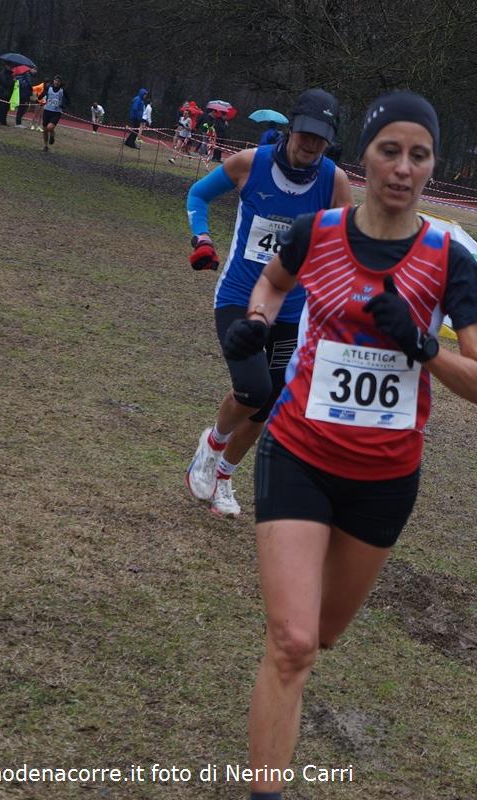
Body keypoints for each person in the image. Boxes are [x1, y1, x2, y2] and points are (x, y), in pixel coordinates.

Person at [228, 89, 477, 800]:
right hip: (299, 452)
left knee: (321, 636)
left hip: (383, 478)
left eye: (419, 155)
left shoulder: (449, 260)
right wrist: (257, 322)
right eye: (390, 151)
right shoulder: (315, 232)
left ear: (432, 166)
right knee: (291, 644)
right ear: (366, 158)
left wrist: (421, 344)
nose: (403, 168)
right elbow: (271, 285)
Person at [183, 88, 354, 518]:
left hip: (291, 311)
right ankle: (211, 445)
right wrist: (202, 237)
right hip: (239, 299)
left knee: (267, 404)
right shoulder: (250, 164)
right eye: (306, 134)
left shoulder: (334, 182)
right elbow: (197, 195)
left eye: (321, 139)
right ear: (291, 128)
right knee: (253, 388)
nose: (311, 145)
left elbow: (343, 244)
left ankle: (224, 478)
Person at [40, 76, 68, 152]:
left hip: (56, 113)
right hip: (47, 110)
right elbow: (43, 93)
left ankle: (52, 134)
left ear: (60, 82)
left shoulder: (63, 90)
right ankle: (45, 146)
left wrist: (63, 105)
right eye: (56, 80)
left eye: (58, 81)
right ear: (53, 81)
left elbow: (67, 100)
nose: (57, 82)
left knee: (49, 127)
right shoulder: (48, 88)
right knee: (45, 130)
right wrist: (39, 98)